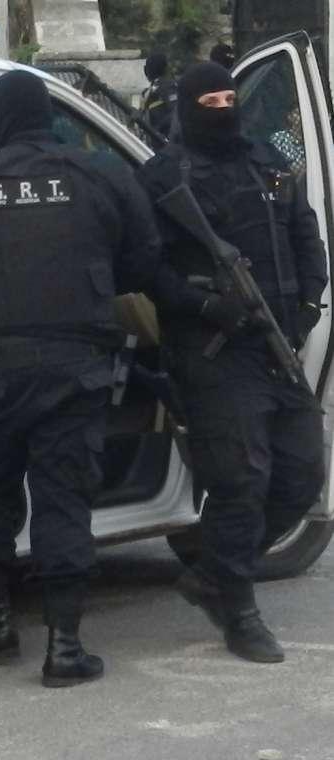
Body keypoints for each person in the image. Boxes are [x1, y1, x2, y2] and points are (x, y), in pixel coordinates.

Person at [0, 70, 164, 687]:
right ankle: (65, 646)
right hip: (77, 371)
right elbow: (145, 260)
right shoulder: (102, 175)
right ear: (48, 115)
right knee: (63, 498)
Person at [137, 62, 327, 663]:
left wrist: (307, 307)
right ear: (188, 109)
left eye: (229, 98)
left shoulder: (269, 165)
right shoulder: (164, 177)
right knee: (241, 482)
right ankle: (239, 611)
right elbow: (145, 267)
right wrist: (205, 305)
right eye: (210, 102)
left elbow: (307, 238)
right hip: (215, 353)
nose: (223, 110)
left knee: (303, 475)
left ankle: (215, 573)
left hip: (277, 345)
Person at [140, 52, 178, 140]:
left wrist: (158, 128)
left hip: (163, 140)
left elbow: (175, 112)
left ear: (145, 70)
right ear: (166, 69)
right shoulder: (148, 91)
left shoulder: (167, 87)